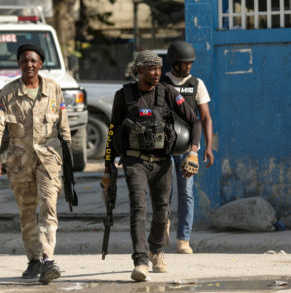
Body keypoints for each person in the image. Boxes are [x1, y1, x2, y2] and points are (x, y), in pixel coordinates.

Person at [101, 50, 201, 282]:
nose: (157, 73)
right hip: (135, 161)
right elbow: (113, 131)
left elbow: (194, 120)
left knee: (162, 211)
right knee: (138, 208)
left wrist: (193, 152)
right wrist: (108, 169)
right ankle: (140, 260)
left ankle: (156, 250)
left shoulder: (167, 93)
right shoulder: (124, 95)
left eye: (159, 68)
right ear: (139, 71)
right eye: (151, 69)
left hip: (162, 162)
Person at [0, 44, 71, 284]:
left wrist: (68, 159)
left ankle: (47, 259)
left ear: (41, 64)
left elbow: (63, 126)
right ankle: (33, 258)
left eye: (33, 61)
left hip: (49, 160)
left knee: (48, 207)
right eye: (24, 61)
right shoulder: (8, 92)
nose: (29, 65)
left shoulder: (54, 89)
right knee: (26, 213)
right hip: (19, 161)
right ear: (19, 64)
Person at [160, 41, 214, 254]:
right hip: (164, 146)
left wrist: (207, 147)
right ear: (174, 63)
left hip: (188, 148)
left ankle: (183, 239)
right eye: (184, 63)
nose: (188, 67)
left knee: (187, 193)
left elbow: (206, 117)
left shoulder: (196, 83)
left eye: (190, 63)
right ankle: (162, 227)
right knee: (164, 192)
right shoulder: (162, 82)